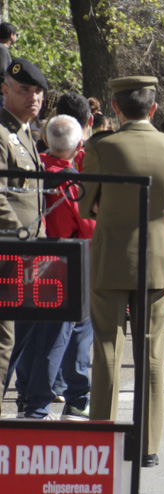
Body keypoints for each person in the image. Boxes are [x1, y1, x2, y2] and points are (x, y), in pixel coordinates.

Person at [79, 76, 164, 466]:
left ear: (116, 108)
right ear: (153, 109)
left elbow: (84, 205)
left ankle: (101, 442)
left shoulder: (102, 146)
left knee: (107, 348)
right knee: (152, 353)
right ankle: (148, 445)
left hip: (110, 257)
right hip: (157, 260)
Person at [11, 115, 93, 420]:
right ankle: (47, 403)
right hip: (63, 262)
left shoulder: (32, 168)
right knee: (62, 334)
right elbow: (87, 227)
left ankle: (25, 397)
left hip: (27, 257)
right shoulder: (72, 179)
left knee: (27, 328)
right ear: (78, 145)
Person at [0, 58, 47, 413]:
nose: (33, 97)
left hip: (28, 251)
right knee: (4, 338)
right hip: (9, 248)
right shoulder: (3, 132)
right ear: (5, 90)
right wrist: (20, 232)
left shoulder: (25, 132)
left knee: (24, 335)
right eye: (23, 90)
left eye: (37, 91)